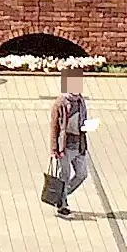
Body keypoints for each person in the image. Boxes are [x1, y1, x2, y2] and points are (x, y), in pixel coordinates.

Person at [49, 78, 92, 218]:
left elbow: (82, 120)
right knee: (64, 176)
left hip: (79, 144)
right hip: (65, 146)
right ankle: (62, 204)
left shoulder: (80, 101)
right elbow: (54, 126)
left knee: (82, 174)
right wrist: (54, 148)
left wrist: (87, 126)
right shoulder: (60, 103)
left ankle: (62, 194)